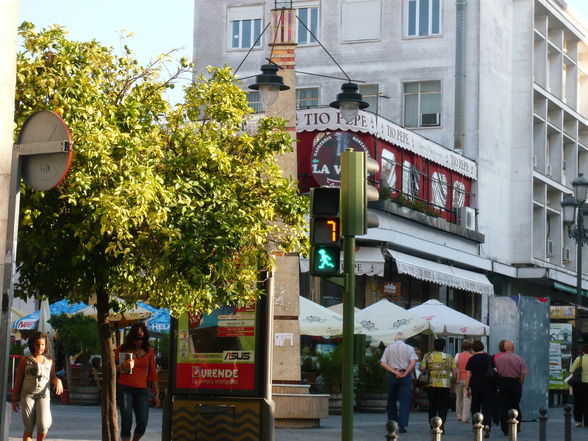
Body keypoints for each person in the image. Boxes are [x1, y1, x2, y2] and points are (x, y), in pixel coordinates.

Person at [11, 331, 63, 441]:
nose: (40, 347)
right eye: (37, 344)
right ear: (32, 345)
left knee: (43, 425)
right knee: (28, 427)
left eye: (43, 345)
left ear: (46, 345)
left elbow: (52, 376)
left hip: (43, 396)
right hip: (27, 396)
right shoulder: (25, 360)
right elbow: (18, 380)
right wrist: (14, 399)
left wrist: (58, 381)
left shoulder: (49, 360)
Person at [115, 323, 159, 441]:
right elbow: (112, 368)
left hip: (141, 390)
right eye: (136, 338)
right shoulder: (122, 349)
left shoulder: (149, 351)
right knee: (127, 419)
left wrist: (156, 394)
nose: (138, 341)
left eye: (141, 338)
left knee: (143, 422)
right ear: (131, 337)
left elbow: (153, 373)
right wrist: (123, 366)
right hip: (124, 387)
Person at [380, 333, 418, 433]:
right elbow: (413, 362)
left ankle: (392, 422)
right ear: (404, 339)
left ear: (395, 339)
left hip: (393, 375)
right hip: (404, 375)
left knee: (391, 400)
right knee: (405, 401)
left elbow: (383, 363)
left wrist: (393, 371)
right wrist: (405, 373)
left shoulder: (389, 348)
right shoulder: (410, 348)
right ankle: (402, 425)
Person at [420, 338, 457, 433]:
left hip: (431, 385)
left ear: (434, 346)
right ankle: (441, 426)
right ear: (444, 347)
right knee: (443, 407)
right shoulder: (449, 357)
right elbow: (454, 372)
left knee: (432, 406)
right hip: (445, 386)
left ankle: (432, 426)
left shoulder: (428, 356)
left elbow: (421, 368)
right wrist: (453, 382)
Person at [495, 340, 528, 435]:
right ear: (513, 348)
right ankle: (516, 426)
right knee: (515, 404)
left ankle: (505, 428)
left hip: (503, 382)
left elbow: (498, 371)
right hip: (515, 383)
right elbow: (522, 375)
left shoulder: (499, 359)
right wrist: (520, 382)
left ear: (504, 348)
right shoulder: (518, 358)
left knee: (504, 406)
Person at [465, 340, 496, 438]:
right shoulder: (489, 358)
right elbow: (495, 371)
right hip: (488, 385)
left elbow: (468, 374)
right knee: (487, 407)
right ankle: (487, 426)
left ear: (473, 349)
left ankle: (476, 426)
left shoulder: (471, 359)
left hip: (475, 385)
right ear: (483, 347)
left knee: (476, 406)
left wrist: (467, 388)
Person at [454, 340, 473, 423]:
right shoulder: (471, 356)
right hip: (468, 380)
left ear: (462, 347)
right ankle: (465, 417)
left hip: (459, 379)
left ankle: (459, 415)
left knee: (458, 398)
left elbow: (454, 366)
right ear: (470, 348)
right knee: (467, 398)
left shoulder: (458, 355)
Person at [570, 344, 588, 428]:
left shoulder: (579, 359)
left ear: (583, 350)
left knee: (578, 402)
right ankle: (587, 422)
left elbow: (572, 370)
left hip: (579, 384)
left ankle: (578, 421)